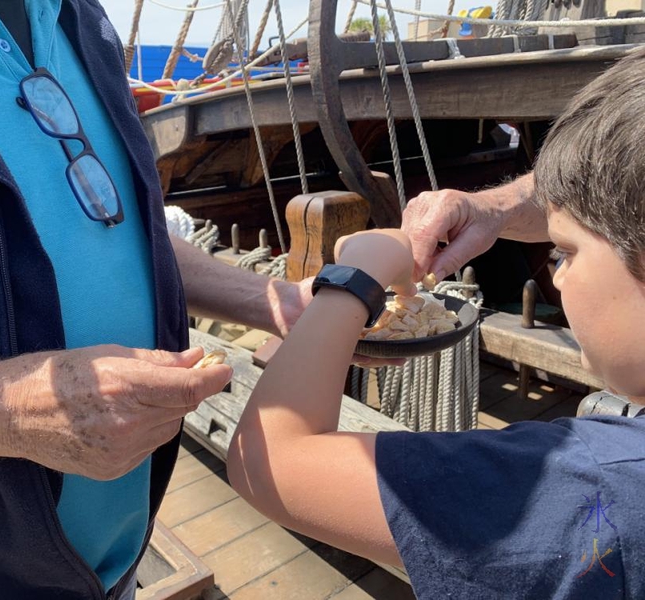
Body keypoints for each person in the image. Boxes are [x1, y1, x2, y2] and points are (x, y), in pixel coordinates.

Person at [0, 1, 320, 598]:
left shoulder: (79, 18)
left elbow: (119, 227)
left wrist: (272, 301)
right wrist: (6, 410)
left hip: (112, 566)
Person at [228, 48, 645, 599]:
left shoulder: (591, 489)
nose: (556, 275)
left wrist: (355, 279)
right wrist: (495, 208)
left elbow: (269, 462)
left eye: (564, 251)